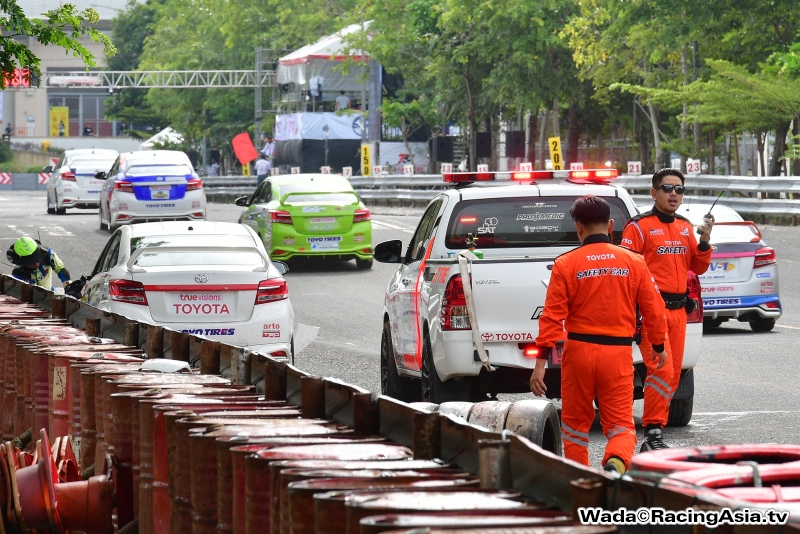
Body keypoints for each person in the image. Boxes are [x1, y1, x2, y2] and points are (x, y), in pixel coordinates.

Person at [531, 196, 668, 474]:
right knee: (621, 425)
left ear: (578, 227)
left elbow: (552, 318)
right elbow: (654, 310)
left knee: (574, 427)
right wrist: (658, 345)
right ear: (611, 225)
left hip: (578, 352)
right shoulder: (634, 261)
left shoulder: (566, 263)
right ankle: (616, 460)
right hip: (617, 354)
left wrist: (540, 365)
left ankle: (582, 481)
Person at [620, 168, 713, 452]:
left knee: (672, 376)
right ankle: (652, 435)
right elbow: (626, 271)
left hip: (679, 313)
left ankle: (653, 432)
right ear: (654, 192)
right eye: (667, 188)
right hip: (652, 313)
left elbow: (697, 267)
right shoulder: (638, 227)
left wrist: (704, 241)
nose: (674, 194)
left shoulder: (684, 226)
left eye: (679, 189)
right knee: (661, 371)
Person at [6, 236, 71, 290]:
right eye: (31, 263)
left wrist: (69, 287)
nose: (36, 264)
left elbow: (61, 270)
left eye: (37, 259)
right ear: (23, 263)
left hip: (50, 290)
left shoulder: (48, 254)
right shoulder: (18, 273)